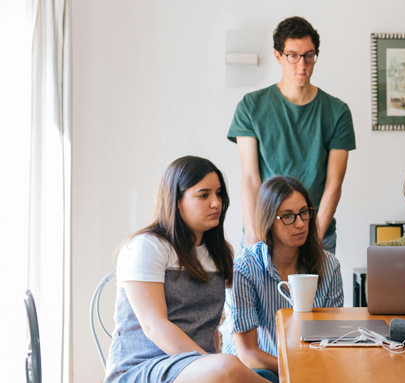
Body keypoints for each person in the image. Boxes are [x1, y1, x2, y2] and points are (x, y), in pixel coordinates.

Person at [104, 156, 268, 383]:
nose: (216, 203)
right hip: (141, 368)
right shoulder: (146, 247)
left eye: (219, 194)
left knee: (259, 372)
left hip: (197, 368)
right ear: (177, 200)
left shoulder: (218, 252)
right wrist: (211, 364)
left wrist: (212, 363)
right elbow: (154, 326)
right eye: (204, 195)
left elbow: (209, 327)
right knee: (229, 366)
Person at [228, 16, 355, 255]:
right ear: (278, 56)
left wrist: (314, 239)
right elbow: (250, 178)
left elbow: (334, 184)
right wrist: (254, 237)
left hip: (317, 232)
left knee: (316, 294)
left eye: (309, 55)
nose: (302, 65)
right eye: (293, 55)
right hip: (265, 232)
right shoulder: (251, 107)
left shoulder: (337, 112)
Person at [222, 176, 344, 382]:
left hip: (310, 369)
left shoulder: (330, 265)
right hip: (255, 373)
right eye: (287, 216)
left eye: (304, 213)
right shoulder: (244, 268)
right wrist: (298, 368)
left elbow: (331, 340)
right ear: (269, 221)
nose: (300, 223)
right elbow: (248, 354)